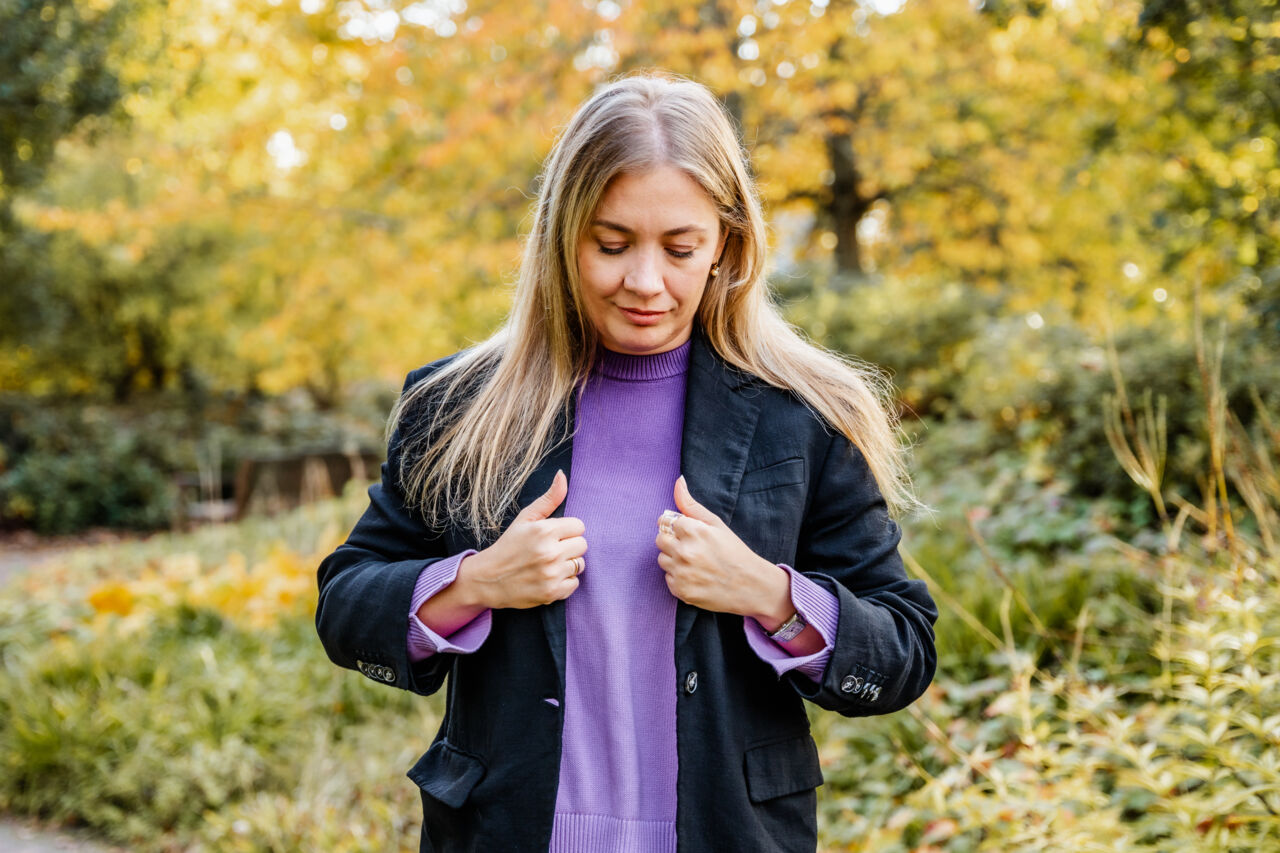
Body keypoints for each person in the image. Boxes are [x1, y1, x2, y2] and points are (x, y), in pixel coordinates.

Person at [315, 71, 938, 853]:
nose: (644, 282)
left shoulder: (805, 414)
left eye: (681, 248)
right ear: (561, 236)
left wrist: (770, 594)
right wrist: (473, 582)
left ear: (727, 248)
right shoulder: (456, 405)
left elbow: (905, 649)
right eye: (611, 245)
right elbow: (344, 606)